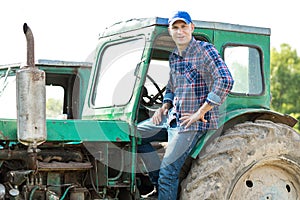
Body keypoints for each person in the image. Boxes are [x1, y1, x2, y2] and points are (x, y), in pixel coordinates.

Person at [137, 11, 234, 199]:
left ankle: (164, 184)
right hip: (172, 117)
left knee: (168, 173)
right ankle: (159, 186)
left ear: (191, 28)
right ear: (170, 31)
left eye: (183, 27)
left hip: (191, 123)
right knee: (136, 134)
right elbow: (172, 86)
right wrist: (165, 106)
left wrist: (201, 111)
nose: (180, 31)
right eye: (175, 27)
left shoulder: (205, 50)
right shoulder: (174, 57)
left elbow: (226, 80)